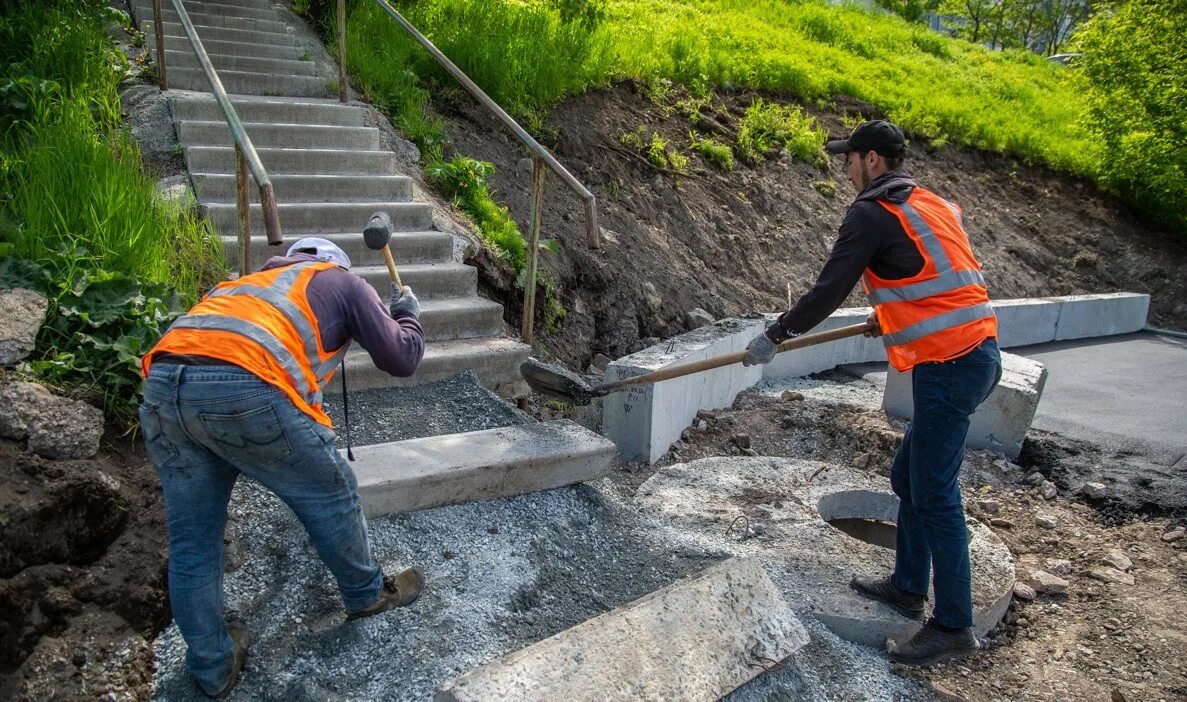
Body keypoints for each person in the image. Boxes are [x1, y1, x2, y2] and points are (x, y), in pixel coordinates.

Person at [741, 120, 1002, 666]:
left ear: (874, 161)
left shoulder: (871, 214)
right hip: (972, 353)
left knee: (934, 493)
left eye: (851, 159)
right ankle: (908, 586)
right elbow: (936, 277)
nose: (846, 169)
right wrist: (892, 314)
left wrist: (777, 333)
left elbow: (829, 290)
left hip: (950, 365)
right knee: (907, 476)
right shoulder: (930, 203)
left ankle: (954, 624)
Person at [139, 237, 426, 697]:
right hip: (244, 383)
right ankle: (367, 594)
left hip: (162, 388)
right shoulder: (344, 283)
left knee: (193, 540)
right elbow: (402, 357)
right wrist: (407, 312)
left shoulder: (244, 285)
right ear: (337, 265)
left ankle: (212, 666)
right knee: (331, 494)